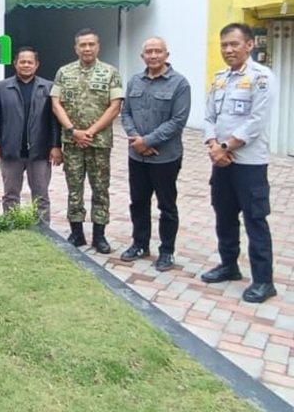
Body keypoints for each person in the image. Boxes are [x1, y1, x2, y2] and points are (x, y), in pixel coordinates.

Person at [201, 23, 278, 304]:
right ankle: (228, 265)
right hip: (221, 162)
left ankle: (263, 281)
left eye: (234, 44)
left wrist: (224, 147)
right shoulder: (220, 78)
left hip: (249, 164)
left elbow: (256, 122)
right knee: (224, 215)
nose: (228, 50)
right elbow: (209, 115)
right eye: (224, 45)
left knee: (255, 219)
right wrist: (212, 145)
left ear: (249, 45)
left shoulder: (261, 77)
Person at [119, 37, 191, 271]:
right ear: (142, 56)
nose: (153, 55)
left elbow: (178, 121)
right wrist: (136, 140)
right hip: (137, 156)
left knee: (166, 205)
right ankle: (140, 244)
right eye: (148, 51)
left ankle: (167, 251)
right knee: (138, 202)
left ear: (166, 55)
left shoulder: (179, 84)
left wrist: (147, 141)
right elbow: (126, 113)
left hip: (165, 156)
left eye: (158, 51)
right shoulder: (134, 82)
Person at [51, 29, 124, 253]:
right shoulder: (64, 72)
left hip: (99, 142)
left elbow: (115, 106)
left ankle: (100, 236)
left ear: (98, 46)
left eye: (91, 44)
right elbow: (56, 103)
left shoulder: (110, 72)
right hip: (72, 142)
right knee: (74, 188)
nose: (87, 49)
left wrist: (89, 132)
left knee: (100, 188)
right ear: (76, 48)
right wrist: (73, 131)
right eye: (83, 45)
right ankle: (77, 233)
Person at [0, 47, 62, 223]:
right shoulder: (3, 87)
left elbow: (54, 120)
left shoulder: (48, 87)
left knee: (41, 195)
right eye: (22, 62)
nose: (26, 65)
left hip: (40, 152)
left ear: (36, 65)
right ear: (15, 64)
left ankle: (43, 232)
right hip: (11, 150)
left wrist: (56, 145)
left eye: (30, 62)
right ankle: (12, 227)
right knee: (11, 194)